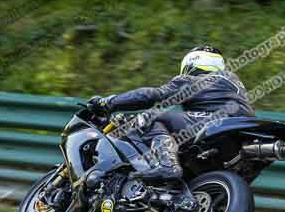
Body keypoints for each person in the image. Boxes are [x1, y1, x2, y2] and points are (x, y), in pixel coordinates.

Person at [87, 45, 254, 183]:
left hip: (216, 123)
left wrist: (109, 102)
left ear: (190, 64)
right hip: (242, 138)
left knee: (150, 117)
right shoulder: (233, 82)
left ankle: (167, 165)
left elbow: (151, 96)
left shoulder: (193, 80)